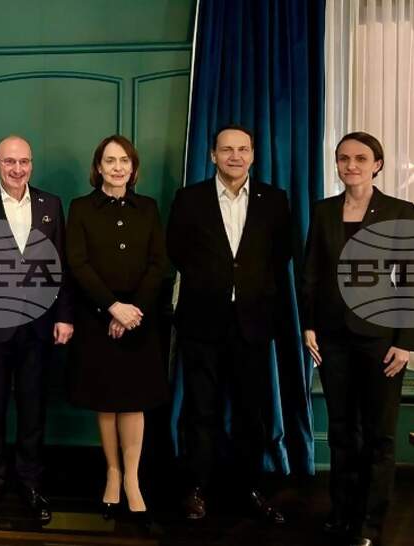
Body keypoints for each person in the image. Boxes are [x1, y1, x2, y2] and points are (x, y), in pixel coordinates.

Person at [166, 124, 290, 524]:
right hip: (201, 323)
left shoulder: (275, 200)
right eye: (226, 149)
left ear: (252, 154)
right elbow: (176, 251)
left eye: (243, 149)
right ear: (212, 155)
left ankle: (249, 488)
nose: (235, 156)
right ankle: (196, 488)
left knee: (252, 412)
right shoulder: (189, 199)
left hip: (253, 324)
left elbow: (281, 255)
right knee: (200, 410)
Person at [302, 132, 413, 546]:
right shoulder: (323, 211)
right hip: (332, 338)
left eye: (361, 158)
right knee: (342, 431)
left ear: (377, 164)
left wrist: (406, 342)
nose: (351, 165)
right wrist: (308, 325)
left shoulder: (402, 212)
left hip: (382, 340)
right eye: (343, 158)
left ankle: (369, 523)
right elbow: (311, 273)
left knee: (379, 435)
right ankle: (342, 514)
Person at [0, 135, 74, 525]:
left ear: (31, 164)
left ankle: (31, 484)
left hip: (39, 329)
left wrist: (64, 316)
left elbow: (61, 266)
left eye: (24, 161)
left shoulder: (50, 205)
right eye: (9, 161)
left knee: (33, 412)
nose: (17, 169)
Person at [66, 135, 169, 525]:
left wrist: (132, 311)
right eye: (110, 160)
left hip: (140, 319)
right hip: (98, 318)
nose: (117, 167)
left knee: (134, 399)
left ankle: (133, 479)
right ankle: (112, 473)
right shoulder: (80, 208)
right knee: (106, 400)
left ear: (133, 167)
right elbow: (78, 263)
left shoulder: (149, 208)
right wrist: (112, 307)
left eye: (124, 160)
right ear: (98, 167)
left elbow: (158, 263)